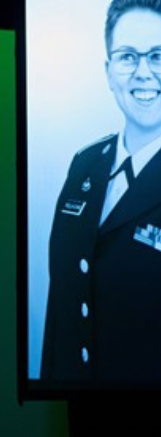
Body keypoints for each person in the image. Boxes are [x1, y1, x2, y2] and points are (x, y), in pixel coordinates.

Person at [41, 0, 161, 385]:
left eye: (158, 55)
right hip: (81, 413)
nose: (143, 73)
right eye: (127, 56)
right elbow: (61, 310)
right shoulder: (85, 165)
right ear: (109, 72)